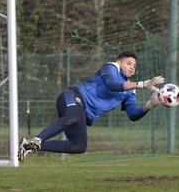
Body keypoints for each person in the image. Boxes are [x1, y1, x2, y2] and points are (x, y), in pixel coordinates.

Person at [18, 51, 164, 162]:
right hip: (73, 96)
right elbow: (113, 85)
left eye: (134, 66)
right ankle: (37, 139)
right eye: (128, 63)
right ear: (119, 62)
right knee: (73, 115)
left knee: (79, 146)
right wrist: (142, 84)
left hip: (82, 113)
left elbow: (132, 114)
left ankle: (29, 146)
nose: (132, 67)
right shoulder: (111, 67)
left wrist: (149, 105)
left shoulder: (130, 90)